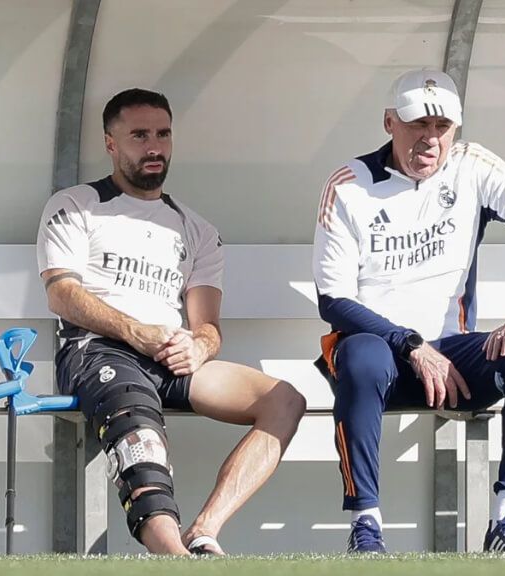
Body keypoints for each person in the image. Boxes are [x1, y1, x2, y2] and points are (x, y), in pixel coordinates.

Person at [312, 69, 505, 553]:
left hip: (451, 358)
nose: (431, 139)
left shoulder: (470, 163)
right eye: (417, 125)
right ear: (390, 122)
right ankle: (366, 527)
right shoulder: (349, 183)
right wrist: (410, 344)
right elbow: (333, 301)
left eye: (443, 127)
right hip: (376, 355)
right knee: (364, 356)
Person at [38, 88, 306, 555]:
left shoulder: (197, 229)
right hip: (99, 348)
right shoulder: (75, 205)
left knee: (284, 401)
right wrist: (134, 331)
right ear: (110, 143)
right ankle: (174, 559)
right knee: (139, 428)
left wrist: (199, 347)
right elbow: (61, 293)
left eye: (163, 134)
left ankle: (203, 532)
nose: (155, 146)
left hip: (170, 354)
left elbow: (208, 325)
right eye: (139, 135)